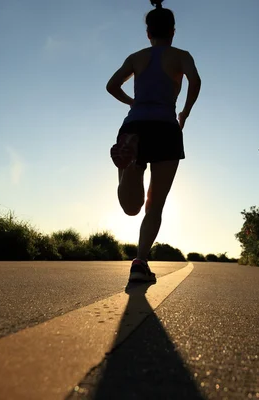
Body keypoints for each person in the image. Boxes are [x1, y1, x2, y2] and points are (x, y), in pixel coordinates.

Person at [106, 0, 201, 283]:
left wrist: (134, 102)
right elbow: (195, 82)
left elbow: (112, 86)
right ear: (173, 31)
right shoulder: (181, 55)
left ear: (148, 33)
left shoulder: (136, 56)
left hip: (133, 125)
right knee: (154, 206)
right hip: (165, 127)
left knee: (130, 207)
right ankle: (140, 262)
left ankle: (129, 164)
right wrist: (184, 112)